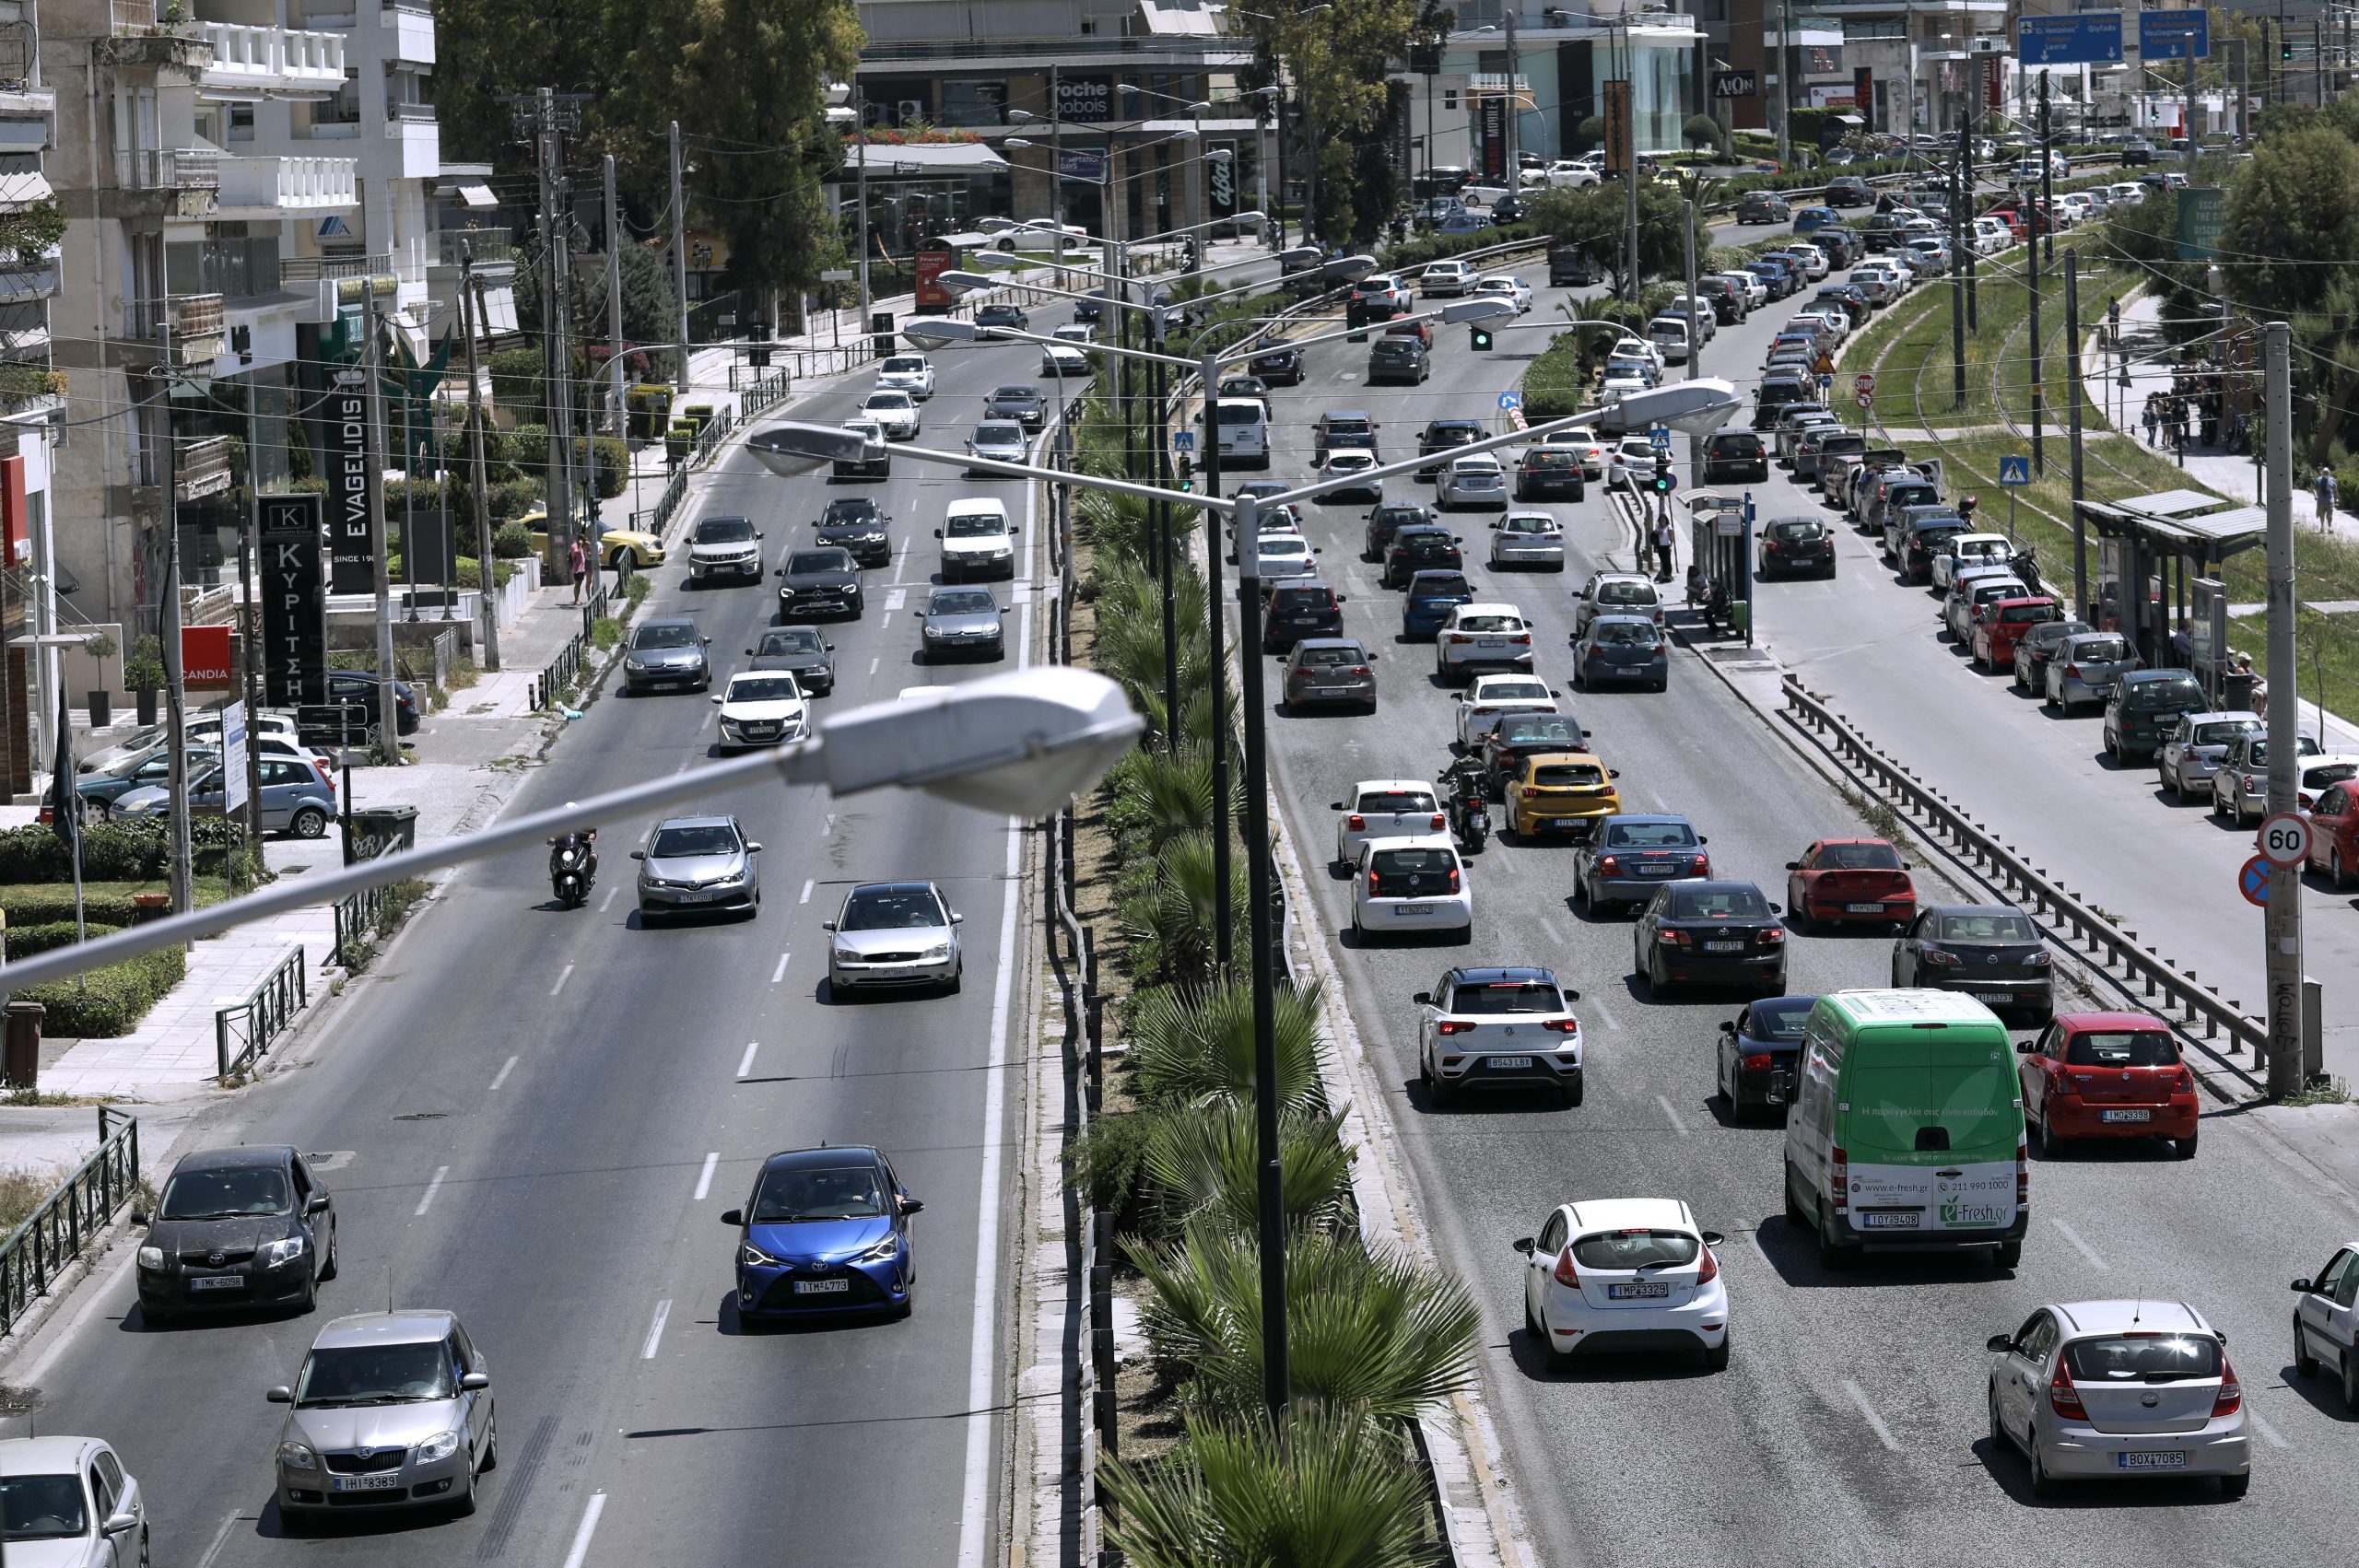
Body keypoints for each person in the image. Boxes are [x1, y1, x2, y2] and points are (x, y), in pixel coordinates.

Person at [1651, 518, 1674, 583]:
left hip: (1667, 546)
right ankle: (1665, 575)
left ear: (1666, 520)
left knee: (1667, 561)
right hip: (1660, 547)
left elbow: (1671, 537)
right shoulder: (1658, 527)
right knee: (1663, 561)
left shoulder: (1669, 527)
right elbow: (1655, 533)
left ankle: (1668, 575)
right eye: (1661, 520)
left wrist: (1670, 546)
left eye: (1664, 520)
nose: (1662, 521)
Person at [568, 533, 588, 605]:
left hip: (581, 569)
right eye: (583, 540)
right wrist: (581, 545)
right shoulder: (574, 546)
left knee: (579, 584)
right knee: (577, 584)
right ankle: (576, 600)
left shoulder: (581, 546)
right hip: (577, 569)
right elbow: (577, 553)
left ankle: (577, 599)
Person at [2317, 465, 2339, 529]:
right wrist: (2315, 495)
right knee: (2321, 515)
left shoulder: (2332, 480)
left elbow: (2335, 489)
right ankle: (2322, 526)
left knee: (2330, 515)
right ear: (2322, 473)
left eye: (2327, 472)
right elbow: (2315, 488)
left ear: (2329, 472)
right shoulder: (2319, 480)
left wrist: (2336, 498)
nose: (2325, 473)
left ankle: (2330, 527)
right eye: (2324, 472)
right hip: (2321, 501)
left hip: (2330, 500)